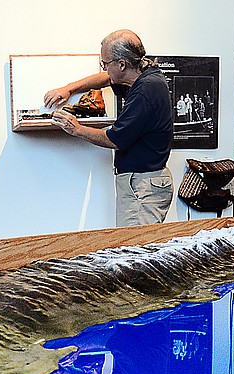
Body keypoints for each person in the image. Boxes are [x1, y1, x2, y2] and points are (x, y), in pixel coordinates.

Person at [44, 29, 174, 226]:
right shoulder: (143, 75)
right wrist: (68, 89)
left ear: (122, 64)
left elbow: (115, 139)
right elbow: (105, 79)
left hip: (142, 188)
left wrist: (75, 128)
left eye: (105, 64)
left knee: (134, 251)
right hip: (141, 183)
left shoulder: (145, 91)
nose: (104, 68)